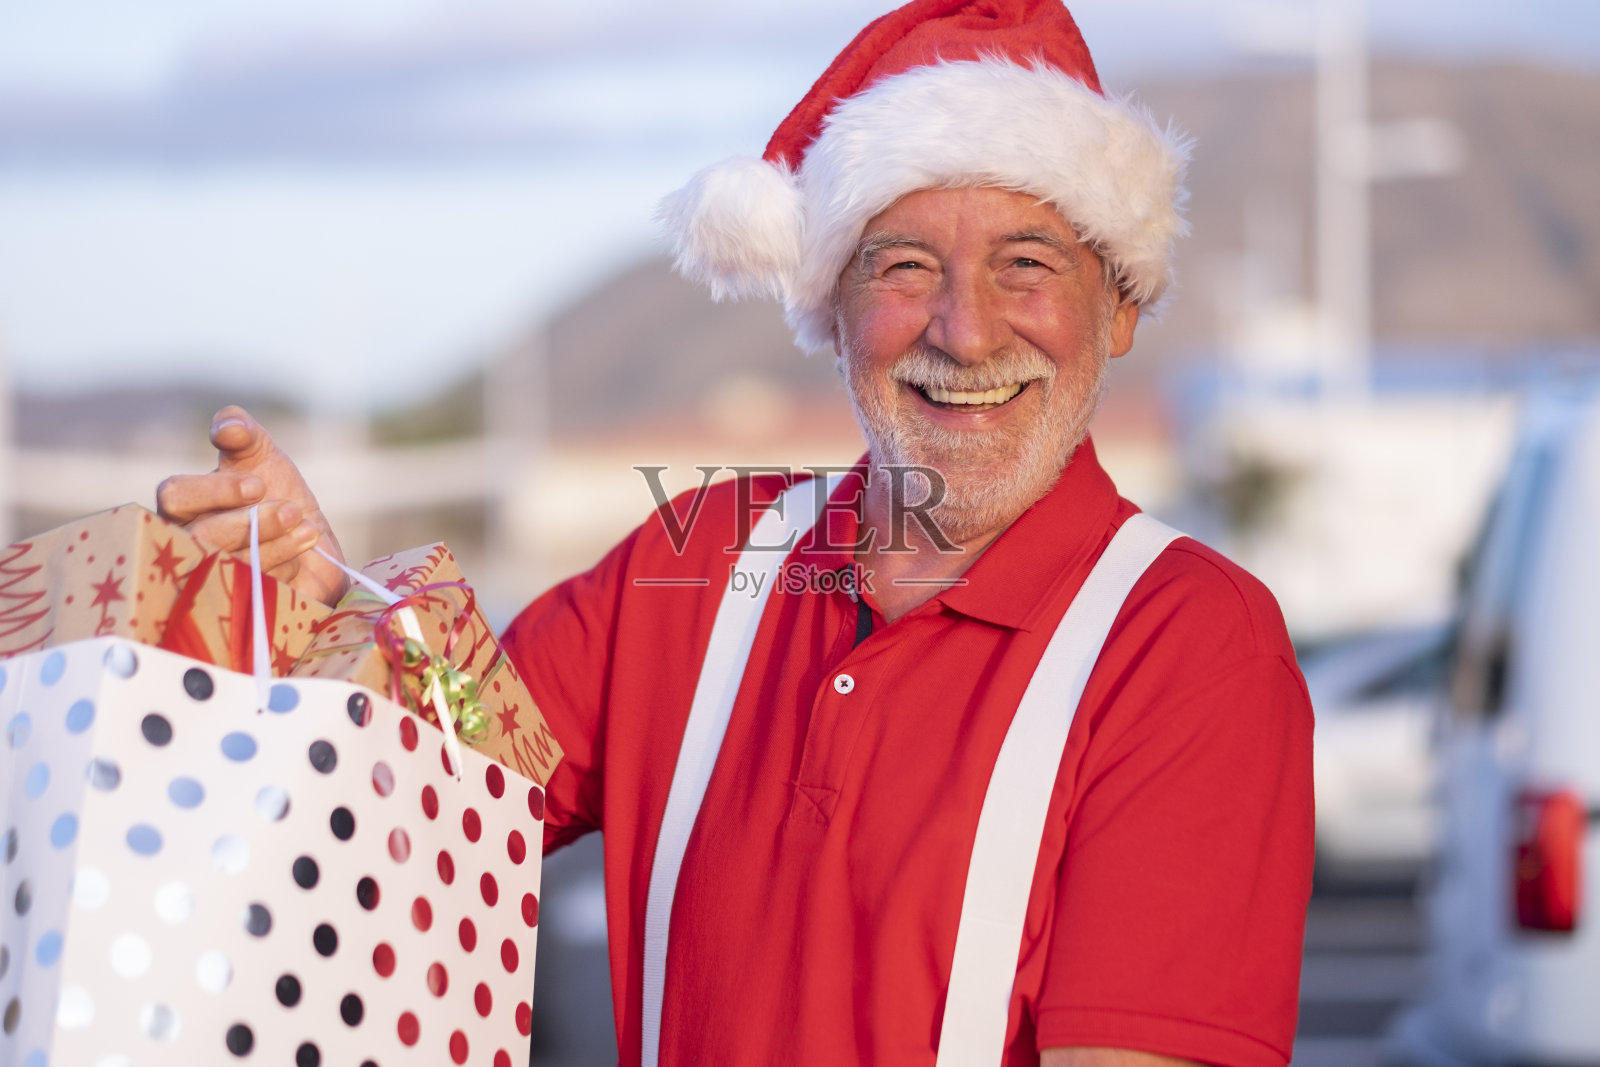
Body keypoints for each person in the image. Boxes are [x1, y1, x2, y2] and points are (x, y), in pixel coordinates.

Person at [157, 1, 1314, 1065]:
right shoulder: (696, 561)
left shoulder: (1187, 643)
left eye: (1026, 265)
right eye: (904, 265)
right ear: (833, 310)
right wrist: (311, 608)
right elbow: (402, 809)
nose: (963, 331)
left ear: (1117, 307)